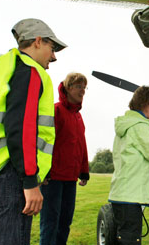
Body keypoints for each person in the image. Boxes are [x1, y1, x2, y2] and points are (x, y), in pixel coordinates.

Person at [0, 18, 67, 245]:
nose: (54, 56)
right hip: (7, 178)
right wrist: (30, 181)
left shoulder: (2, 69)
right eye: (52, 47)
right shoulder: (30, 72)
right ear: (38, 42)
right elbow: (21, 128)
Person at [108, 86, 149, 245]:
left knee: (123, 237)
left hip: (122, 194)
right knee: (130, 240)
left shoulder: (127, 125)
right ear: (146, 103)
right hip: (130, 196)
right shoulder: (140, 127)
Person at [40, 72, 90, 245]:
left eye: (84, 87)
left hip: (70, 178)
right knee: (50, 223)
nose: (82, 91)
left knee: (65, 222)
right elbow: (45, 141)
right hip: (53, 178)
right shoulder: (55, 110)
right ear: (68, 88)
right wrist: (44, 171)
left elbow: (82, 145)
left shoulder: (78, 116)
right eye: (78, 87)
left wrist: (84, 171)